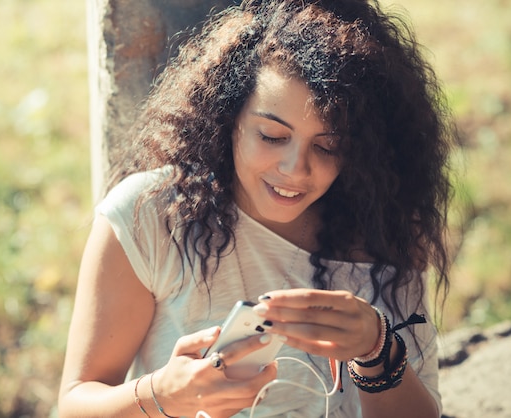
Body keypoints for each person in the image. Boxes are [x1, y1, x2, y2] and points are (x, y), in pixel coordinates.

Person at [59, 0, 456, 417]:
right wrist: (164, 393)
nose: (295, 169)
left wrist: (378, 353)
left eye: (327, 146)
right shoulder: (153, 215)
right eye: (271, 136)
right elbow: (73, 405)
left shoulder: (383, 229)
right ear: (228, 119)